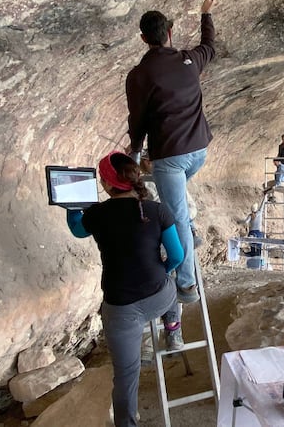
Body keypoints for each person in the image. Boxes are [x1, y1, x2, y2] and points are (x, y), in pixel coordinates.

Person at [66, 151, 185, 427]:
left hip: (122, 311)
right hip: (159, 296)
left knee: (126, 375)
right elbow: (177, 256)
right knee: (171, 286)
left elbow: (77, 230)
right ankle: (172, 325)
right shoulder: (156, 210)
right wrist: (161, 273)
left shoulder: (96, 215)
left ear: (108, 185)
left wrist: (72, 208)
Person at [125, 0, 216, 303]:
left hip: (172, 158)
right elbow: (209, 45)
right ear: (170, 33)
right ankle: (191, 230)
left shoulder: (139, 75)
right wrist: (206, 11)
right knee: (177, 207)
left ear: (143, 38)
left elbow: (137, 120)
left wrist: (135, 155)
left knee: (175, 218)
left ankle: (188, 286)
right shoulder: (189, 59)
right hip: (200, 151)